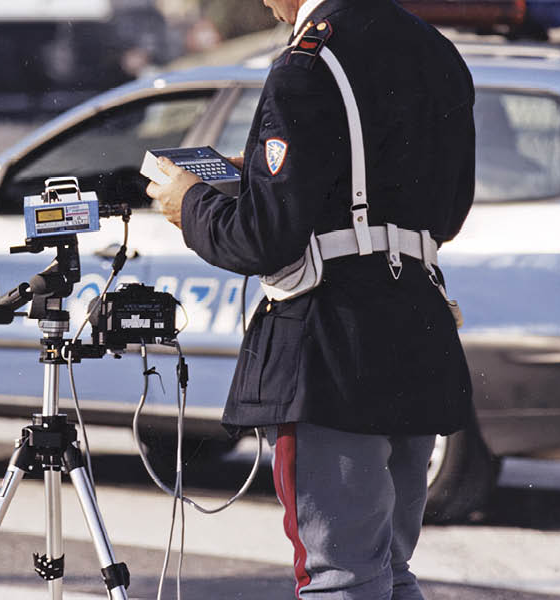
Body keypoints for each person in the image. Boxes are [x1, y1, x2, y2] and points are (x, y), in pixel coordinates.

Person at [146, 0, 475, 597]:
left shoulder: (308, 61)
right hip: (417, 325)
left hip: (333, 347)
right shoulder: (436, 50)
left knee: (341, 574)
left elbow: (260, 241)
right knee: (390, 569)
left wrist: (189, 203)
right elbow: (446, 211)